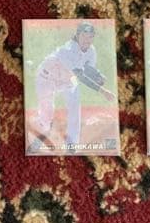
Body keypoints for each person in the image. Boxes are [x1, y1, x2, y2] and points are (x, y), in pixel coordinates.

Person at [32, 22, 115, 150]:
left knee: (75, 108)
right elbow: (81, 76)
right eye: (84, 36)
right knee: (46, 113)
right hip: (47, 78)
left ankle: (72, 143)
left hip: (67, 80)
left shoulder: (91, 50)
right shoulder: (68, 50)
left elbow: (87, 68)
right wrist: (102, 91)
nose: (87, 39)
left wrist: (98, 75)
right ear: (77, 35)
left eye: (90, 36)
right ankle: (43, 132)